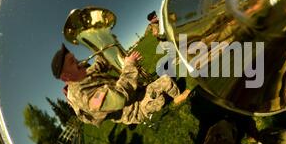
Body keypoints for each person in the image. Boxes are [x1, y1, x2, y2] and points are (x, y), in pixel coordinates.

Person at [51, 44, 189, 126]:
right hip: (135, 108)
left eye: (74, 58)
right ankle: (178, 98)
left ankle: (164, 95)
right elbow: (119, 98)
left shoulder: (83, 76)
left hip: (136, 95)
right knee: (166, 81)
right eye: (72, 62)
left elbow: (100, 64)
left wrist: (106, 46)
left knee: (163, 81)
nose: (79, 62)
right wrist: (129, 65)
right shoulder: (83, 96)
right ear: (66, 77)